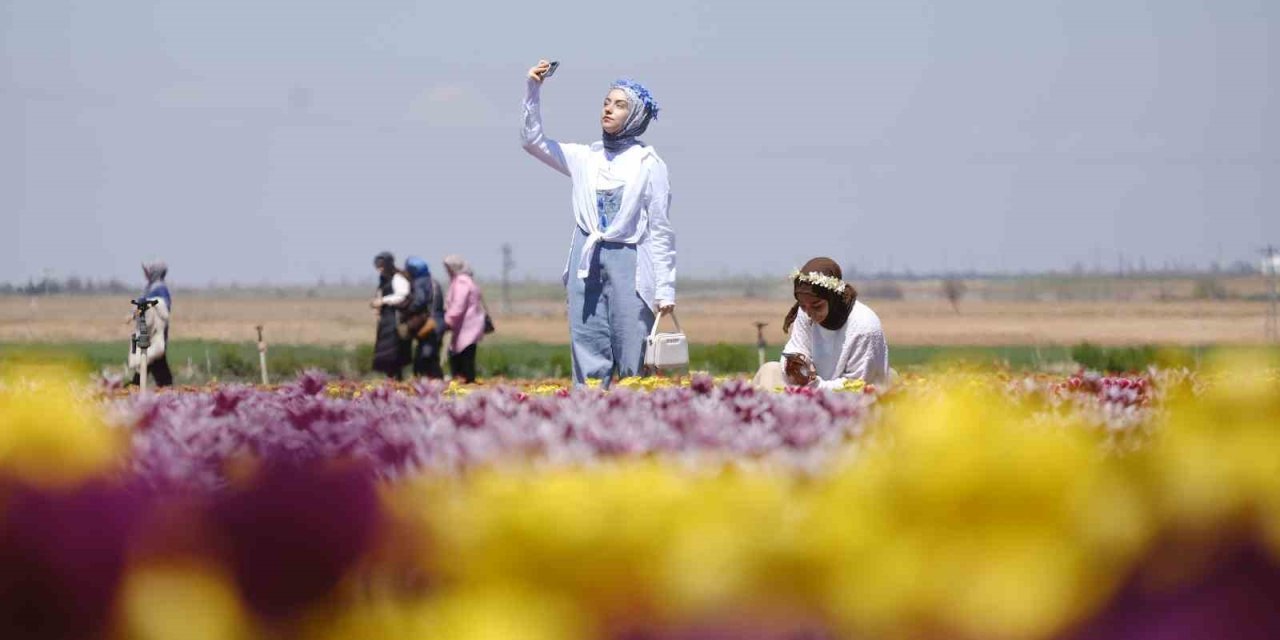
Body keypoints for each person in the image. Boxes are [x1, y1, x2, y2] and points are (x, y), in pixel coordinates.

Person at [521, 59, 676, 387]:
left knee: (632, 344)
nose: (608, 110)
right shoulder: (584, 157)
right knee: (587, 341)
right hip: (586, 257)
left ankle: (636, 420)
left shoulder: (650, 164)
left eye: (619, 105)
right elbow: (533, 142)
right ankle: (589, 417)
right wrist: (533, 89)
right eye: (606, 103)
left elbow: (660, 230)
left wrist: (664, 289)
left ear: (635, 116)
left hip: (629, 261)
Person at [753, 257, 890, 389]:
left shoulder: (864, 326)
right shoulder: (806, 313)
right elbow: (796, 348)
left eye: (817, 306)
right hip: (812, 389)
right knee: (770, 370)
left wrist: (814, 384)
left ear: (833, 297)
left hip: (854, 401)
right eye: (802, 305)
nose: (809, 313)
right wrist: (796, 366)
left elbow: (857, 386)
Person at [128, 260, 174, 387]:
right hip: (149, 332)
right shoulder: (151, 287)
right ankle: (136, 386)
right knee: (153, 361)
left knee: (153, 360)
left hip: (155, 332)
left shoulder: (159, 288)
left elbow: (161, 306)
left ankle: (135, 386)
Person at [442, 255, 486, 384]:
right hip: (467, 325)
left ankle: (464, 383)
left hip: (466, 326)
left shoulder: (461, 282)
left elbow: (458, 305)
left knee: (462, 356)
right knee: (464, 354)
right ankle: (465, 381)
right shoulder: (466, 280)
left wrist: (447, 320)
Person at [403, 256, 446, 379]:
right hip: (439, 321)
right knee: (432, 355)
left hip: (429, 324)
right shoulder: (434, 281)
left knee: (425, 357)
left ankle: (430, 387)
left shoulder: (420, 282)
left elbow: (419, 301)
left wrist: (407, 311)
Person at [370, 251, 411, 380]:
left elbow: (402, 295)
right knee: (385, 354)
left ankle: (397, 380)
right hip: (386, 320)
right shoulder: (384, 279)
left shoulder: (398, 278)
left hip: (395, 319)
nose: (380, 269)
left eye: (382, 266)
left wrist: (383, 301)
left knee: (394, 352)